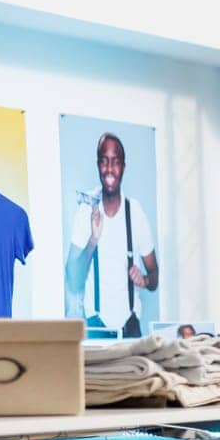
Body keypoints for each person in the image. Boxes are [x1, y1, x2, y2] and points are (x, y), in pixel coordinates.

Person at [65, 133, 159, 336]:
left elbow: (154, 276)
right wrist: (93, 239)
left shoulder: (136, 212)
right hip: (95, 328)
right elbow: (73, 279)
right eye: (104, 161)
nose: (109, 169)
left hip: (131, 328)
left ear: (123, 166)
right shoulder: (86, 211)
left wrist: (144, 280)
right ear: (98, 164)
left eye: (115, 162)